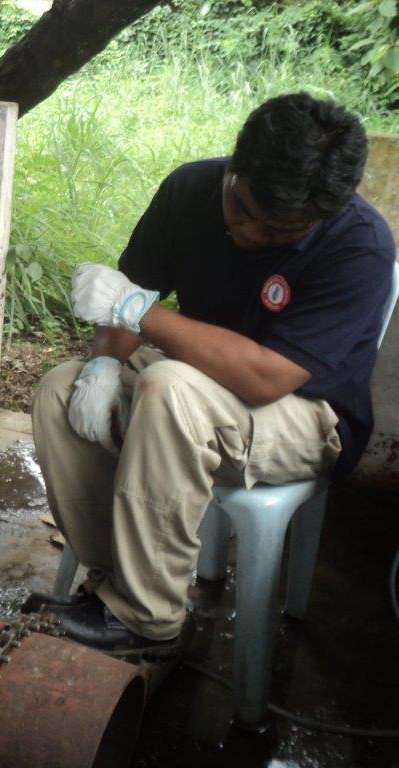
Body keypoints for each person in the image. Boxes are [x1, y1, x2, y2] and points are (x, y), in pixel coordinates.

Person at [29, 93, 395, 657]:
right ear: (234, 167)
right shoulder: (190, 190)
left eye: (280, 233)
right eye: (243, 211)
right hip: (189, 377)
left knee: (169, 390)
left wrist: (140, 314)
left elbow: (265, 378)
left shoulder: (360, 246)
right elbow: (132, 292)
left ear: (320, 216)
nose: (253, 234)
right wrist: (104, 360)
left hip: (306, 412)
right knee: (61, 391)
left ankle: (147, 623)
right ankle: (113, 587)